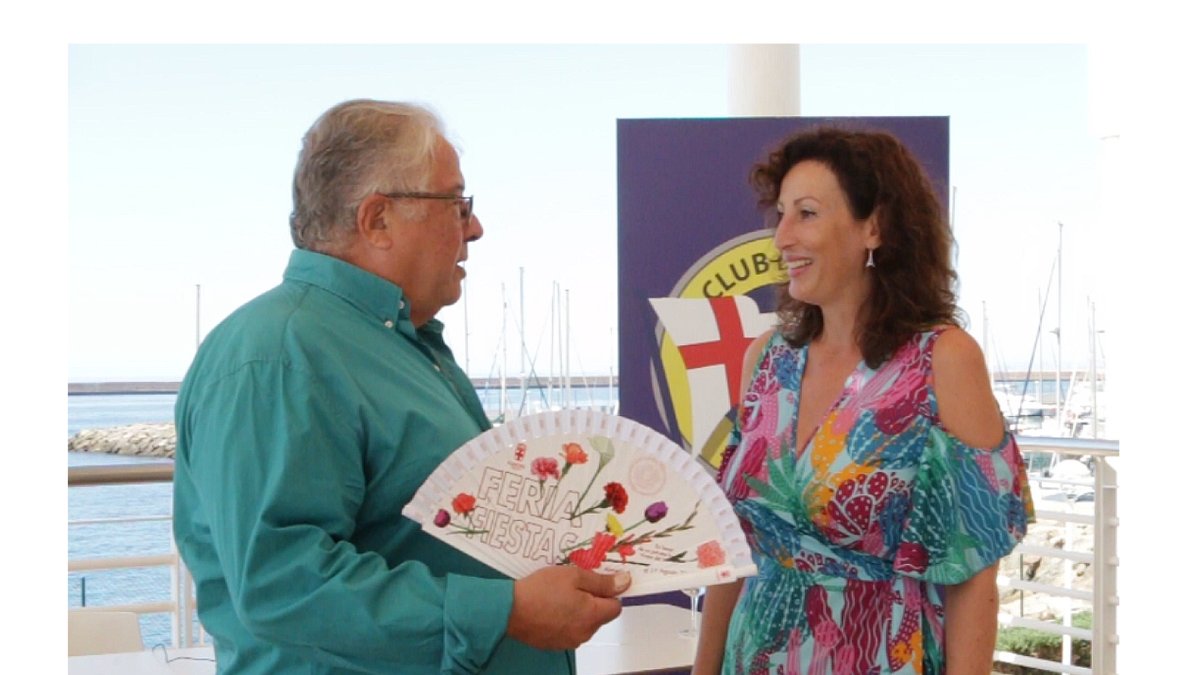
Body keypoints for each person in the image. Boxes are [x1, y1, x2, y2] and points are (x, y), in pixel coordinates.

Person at [172, 99, 629, 674]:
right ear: (377, 219)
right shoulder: (281, 356)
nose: (476, 227)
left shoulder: (397, 345)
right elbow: (280, 581)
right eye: (457, 203)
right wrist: (503, 610)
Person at [693, 127, 1034, 675]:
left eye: (806, 213)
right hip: (751, 655)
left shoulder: (942, 361)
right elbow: (735, 552)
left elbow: (973, 577)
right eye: (779, 214)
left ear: (874, 226)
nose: (781, 237)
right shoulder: (766, 360)